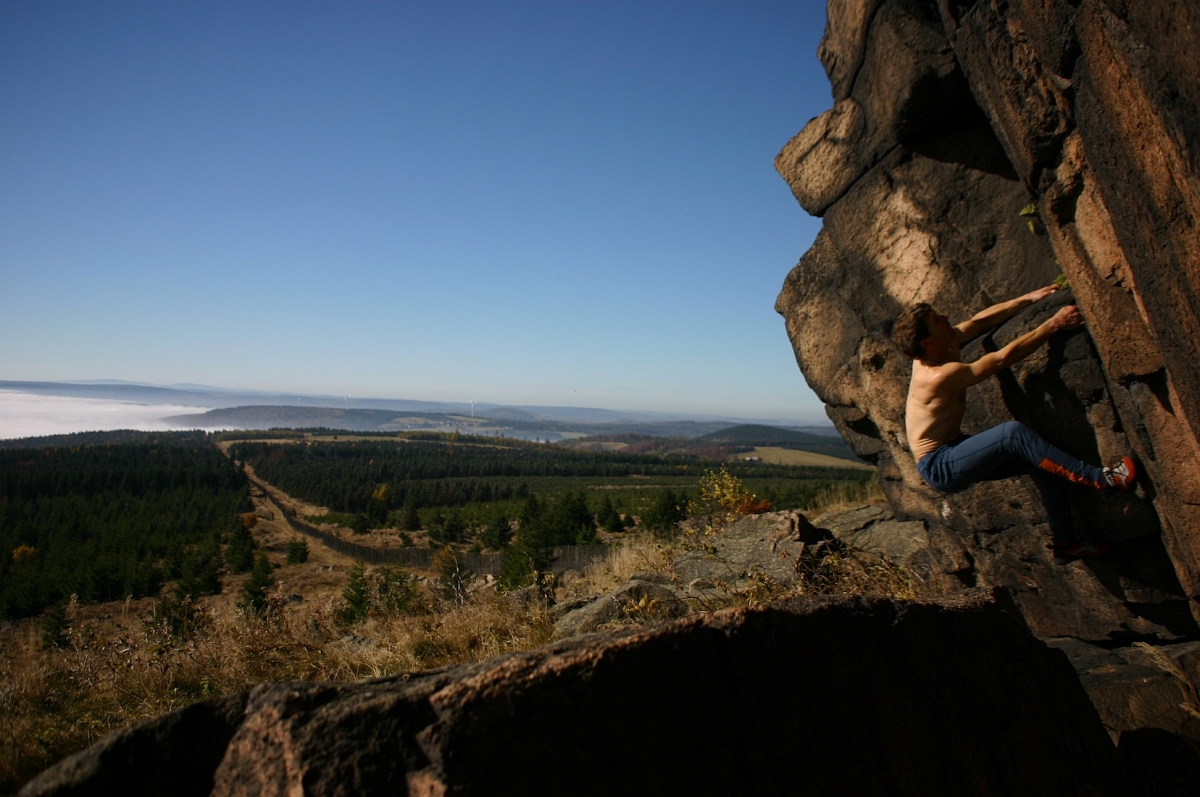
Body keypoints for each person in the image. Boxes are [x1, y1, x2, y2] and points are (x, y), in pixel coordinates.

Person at [893, 285, 1135, 560]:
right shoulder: (936, 375)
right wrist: (1053, 324)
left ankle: (1066, 543)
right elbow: (1001, 359)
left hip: (952, 447)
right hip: (940, 464)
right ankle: (1101, 479)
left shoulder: (942, 344)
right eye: (937, 320)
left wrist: (1025, 298)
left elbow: (979, 322)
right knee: (1012, 434)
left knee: (1044, 464)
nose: (946, 318)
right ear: (926, 342)